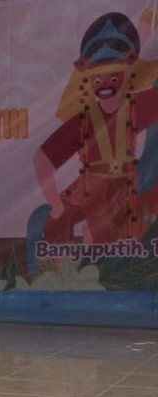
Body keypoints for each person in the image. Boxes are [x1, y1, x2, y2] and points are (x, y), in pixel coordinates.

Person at [35, 11, 158, 243]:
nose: (105, 84)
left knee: (114, 232)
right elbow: (42, 160)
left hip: (126, 184)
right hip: (90, 186)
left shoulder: (138, 106)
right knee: (54, 225)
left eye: (114, 76)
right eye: (98, 78)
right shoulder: (84, 120)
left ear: (127, 71)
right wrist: (56, 206)